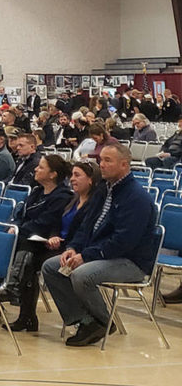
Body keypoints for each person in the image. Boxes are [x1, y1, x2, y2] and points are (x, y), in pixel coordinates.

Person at [41, 144, 159, 347]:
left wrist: (87, 256)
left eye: (107, 161)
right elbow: (86, 226)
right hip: (104, 254)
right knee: (52, 267)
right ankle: (85, 321)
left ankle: (103, 321)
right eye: (100, 160)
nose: (101, 165)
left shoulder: (136, 198)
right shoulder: (104, 189)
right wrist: (73, 248)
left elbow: (124, 241)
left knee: (82, 274)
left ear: (124, 164)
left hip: (130, 261)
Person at [0, 159, 101, 331]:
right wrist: (53, 236)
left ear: (90, 179)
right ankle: (22, 308)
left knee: (31, 256)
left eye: (77, 175)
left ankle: (19, 298)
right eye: (72, 175)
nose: (72, 179)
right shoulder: (73, 200)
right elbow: (56, 224)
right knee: (26, 252)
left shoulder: (89, 203)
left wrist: (67, 245)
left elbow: (84, 232)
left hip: (75, 249)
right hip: (59, 244)